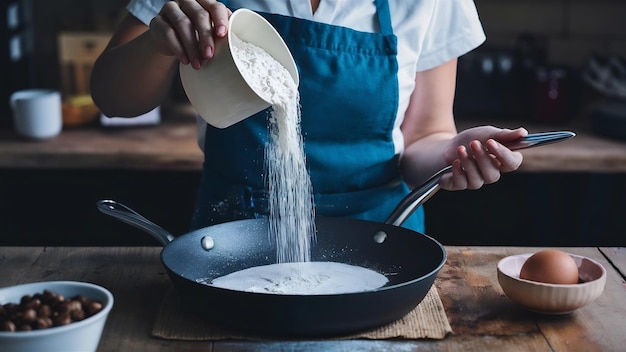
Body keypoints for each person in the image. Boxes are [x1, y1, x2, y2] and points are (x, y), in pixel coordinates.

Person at [91, 0, 526, 234]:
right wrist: (158, 43)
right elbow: (112, 98)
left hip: (380, 236)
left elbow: (424, 135)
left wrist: (454, 154)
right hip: (234, 236)